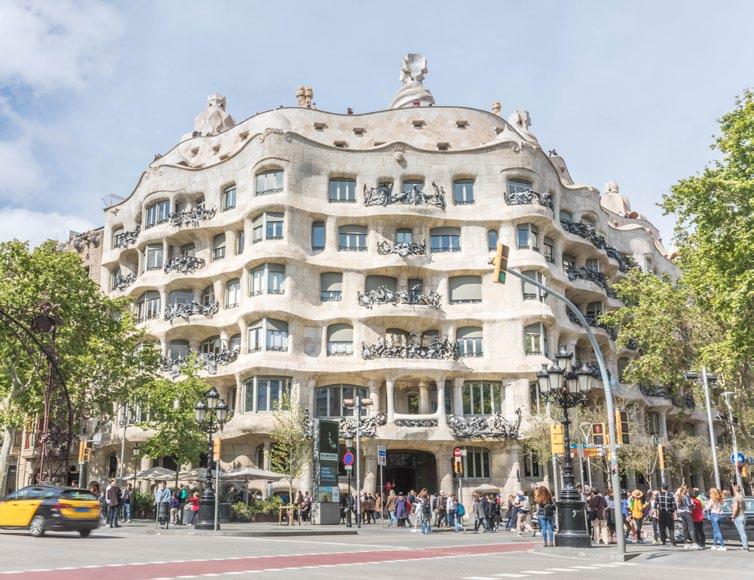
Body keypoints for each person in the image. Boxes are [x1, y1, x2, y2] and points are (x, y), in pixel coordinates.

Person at [731, 484, 749, 551]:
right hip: (743, 515)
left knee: (742, 533)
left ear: (734, 490)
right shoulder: (742, 497)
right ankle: (745, 546)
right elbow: (745, 508)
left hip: (738, 516)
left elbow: (735, 508)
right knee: (743, 532)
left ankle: (745, 547)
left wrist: (733, 516)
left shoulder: (736, 498)